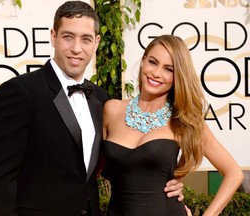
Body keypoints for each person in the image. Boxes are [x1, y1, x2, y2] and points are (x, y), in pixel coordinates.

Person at [0, 2, 184, 216]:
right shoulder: (20, 92)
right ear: (53, 36)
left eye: (85, 39)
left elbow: (121, 166)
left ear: (96, 42)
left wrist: (169, 185)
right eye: (68, 37)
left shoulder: (101, 100)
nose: (76, 48)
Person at [101, 35, 244, 216]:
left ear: (178, 77)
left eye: (169, 69)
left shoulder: (183, 119)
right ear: (143, 61)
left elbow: (234, 173)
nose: (156, 73)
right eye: (153, 62)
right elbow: (95, 169)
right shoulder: (112, 110)